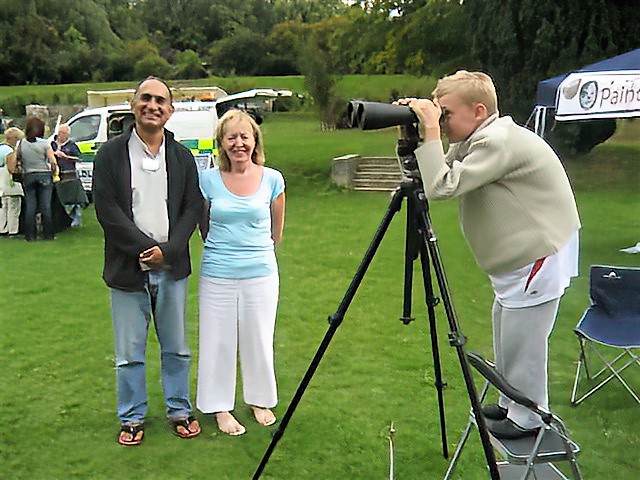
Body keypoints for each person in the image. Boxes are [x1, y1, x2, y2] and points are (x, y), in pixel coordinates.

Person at [402, 70, 580, 439]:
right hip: (519, 260)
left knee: (524, 342)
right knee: (507, 332)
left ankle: (529, 416)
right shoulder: (482, 138)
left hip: (537, 254)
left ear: (479, 110)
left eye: (446, 112)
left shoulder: (499, 141)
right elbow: (437, 171)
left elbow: (441, 186)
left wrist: (432, 131)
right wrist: (419, 134)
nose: (441, 119)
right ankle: (509, 402)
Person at [93, 76, 204, 446]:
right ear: (133, 103)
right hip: (126, 269)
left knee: (176, 348)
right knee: (129, 353)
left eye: (161, 100)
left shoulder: (182, 156)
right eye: (146, 98)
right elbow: (107, 210)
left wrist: (168, 252)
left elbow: (192, 208)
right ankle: (131, 417)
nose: (152, 105)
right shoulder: (110, 154)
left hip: (172, 269)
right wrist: (146, 249)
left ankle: (178, 408)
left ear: (170, 111)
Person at [197, 109, 285, 436]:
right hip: (217, 273)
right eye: (231, 137)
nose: (239, 143)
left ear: (255, 141)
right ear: (221, 143)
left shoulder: (273, 179)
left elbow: (277, 231)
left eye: (244, 136)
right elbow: (202, 226)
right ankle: (219, 407)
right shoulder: (207, 180)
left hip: (260, 272)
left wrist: (255, 252)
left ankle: (260, 400)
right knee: (217, 340)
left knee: (259, 337)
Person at [20, 116, 58, 241]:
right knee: (45, 206)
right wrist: (53, 171)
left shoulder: (21, 143)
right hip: (44, 174)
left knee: (30, 206)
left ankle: (30, 235)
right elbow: (53, 161)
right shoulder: (45, 143)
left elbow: (16, 158)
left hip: (29, 175)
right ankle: (48, 234)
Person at [51, 124, 87, 227]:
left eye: (62, 133)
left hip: (70, 176)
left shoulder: (71, 145)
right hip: (56, 175)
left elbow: (80, 158)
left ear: (67, 135)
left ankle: (75, 219)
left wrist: (66, 157)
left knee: (73, 199)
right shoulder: (53, 144)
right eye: (59, 133)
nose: (60, 135)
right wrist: (54, 153)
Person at [0, 127, 24, 237]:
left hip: (1, 182)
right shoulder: (10, 151)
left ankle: (2, 229)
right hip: (9, 181)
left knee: (3, 206)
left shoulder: (1, 147)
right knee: (14, 206)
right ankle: (13, 230)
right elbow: (11, 168)